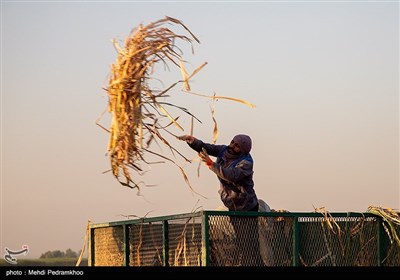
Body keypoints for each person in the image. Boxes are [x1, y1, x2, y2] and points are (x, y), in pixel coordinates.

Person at [178, 134, 264, 266]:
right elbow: (206, 148)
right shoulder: (224, 150)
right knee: (242, 243)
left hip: (246, 207)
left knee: (250, 246)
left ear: (243, 150)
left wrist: (210, 164)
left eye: (237, 146)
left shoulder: (246, 163)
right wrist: (193, 142)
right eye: (232, 142)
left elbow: (231, 176)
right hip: (232, 205)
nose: (232, 146)